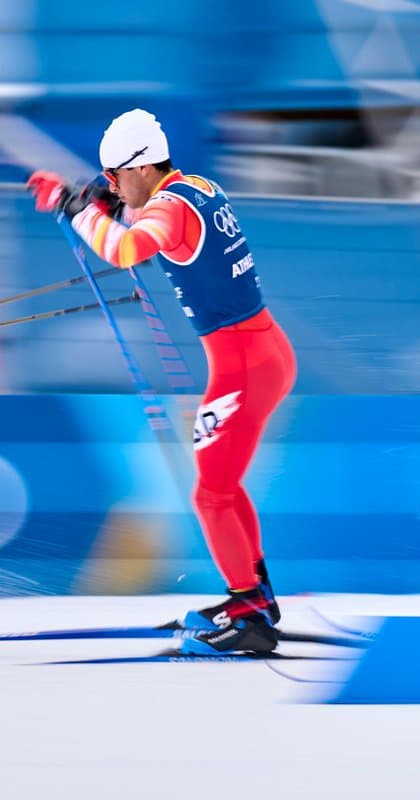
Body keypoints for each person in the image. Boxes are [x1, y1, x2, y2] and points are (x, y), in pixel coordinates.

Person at [27, 109, 296, 655]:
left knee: (211, 493)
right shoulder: (195, 186)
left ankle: (251, 614)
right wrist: (103, 202)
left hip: (243, 366)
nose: (112, 187)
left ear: (143, 168)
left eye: (115, 177)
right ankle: (255, 598)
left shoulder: (168, 208)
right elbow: (146, 219)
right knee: (224, 484)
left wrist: (74, 208)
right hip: (259, 354)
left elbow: (127, 250)